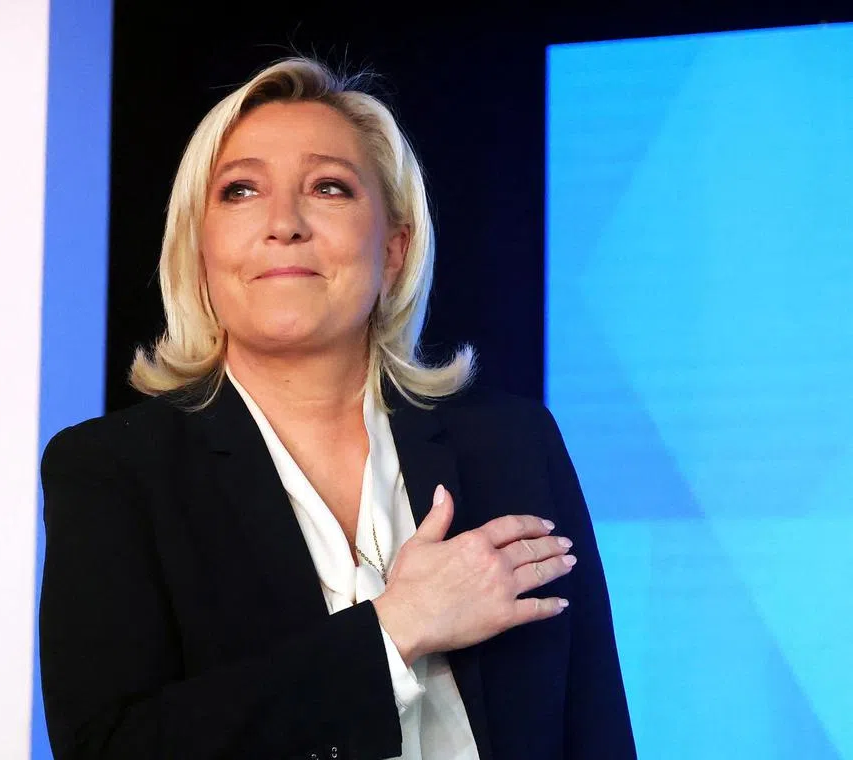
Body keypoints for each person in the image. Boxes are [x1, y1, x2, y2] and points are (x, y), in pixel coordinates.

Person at [38, 56, 636, 760]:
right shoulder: (112, 471)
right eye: (240, 191)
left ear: (392, 250)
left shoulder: (512, 443)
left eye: (328, 187)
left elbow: (593, 730)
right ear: (199, 253)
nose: (284, 223)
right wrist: (394, 629)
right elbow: (113, 748)